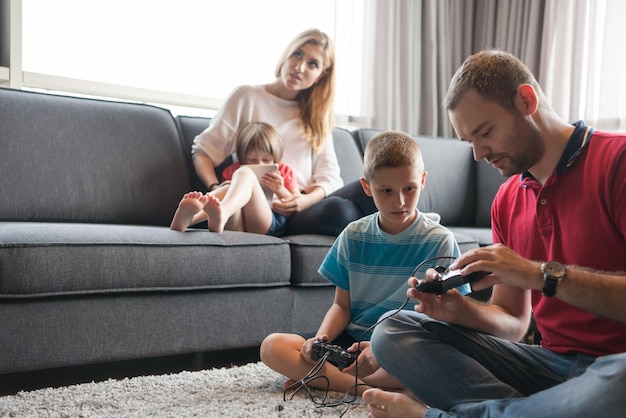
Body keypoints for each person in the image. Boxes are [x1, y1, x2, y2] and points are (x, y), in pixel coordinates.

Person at [358, 50, 626, 417]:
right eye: (469, 140)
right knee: (392, 332)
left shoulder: (618, 163)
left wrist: (536, 274)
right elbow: (515, 324)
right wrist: (460, 311)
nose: (478, 154)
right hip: (548, 366)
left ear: (526, 100)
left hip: (615, 368)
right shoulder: (507, 199)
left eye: (484, 133)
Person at [260, 130, 471, 395]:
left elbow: (448, 319)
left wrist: (385, 347)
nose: (400, 201)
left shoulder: (440, 240)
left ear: (423, 180)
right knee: (272, 346)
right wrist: (320, 338)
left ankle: (327, 380)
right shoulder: (353, 234)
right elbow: (341, 306)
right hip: (351, 343)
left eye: (409, 188)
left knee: (447, 361)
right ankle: (362, 388)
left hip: (403, 345)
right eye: (386, 191)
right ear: (367, 187)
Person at [190, 28, 376, 237]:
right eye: (297, 54)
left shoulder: (316, 116)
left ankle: (401, 259)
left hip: (300, 205)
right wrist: (217, 188)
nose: (299, 67)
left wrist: (304, 200)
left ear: (321, 75)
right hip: (262, 205)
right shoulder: (247, 97)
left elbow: (330, 178)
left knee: (373, 189)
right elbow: (203, 151)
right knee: (343, 211)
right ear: (286, 54)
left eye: (312, 64)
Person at [170, 121, 299, 236]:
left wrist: (280, 190)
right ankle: (188, 219)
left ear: (275, 156)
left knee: (244, 172)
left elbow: (295, 204)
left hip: (266, 223)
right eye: (252, 159)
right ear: (242, 156)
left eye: (266, 160)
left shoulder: (283, 171)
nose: (259, 164)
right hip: (236, 226)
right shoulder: (232, 170)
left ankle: (211, 214)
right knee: (229, 186)